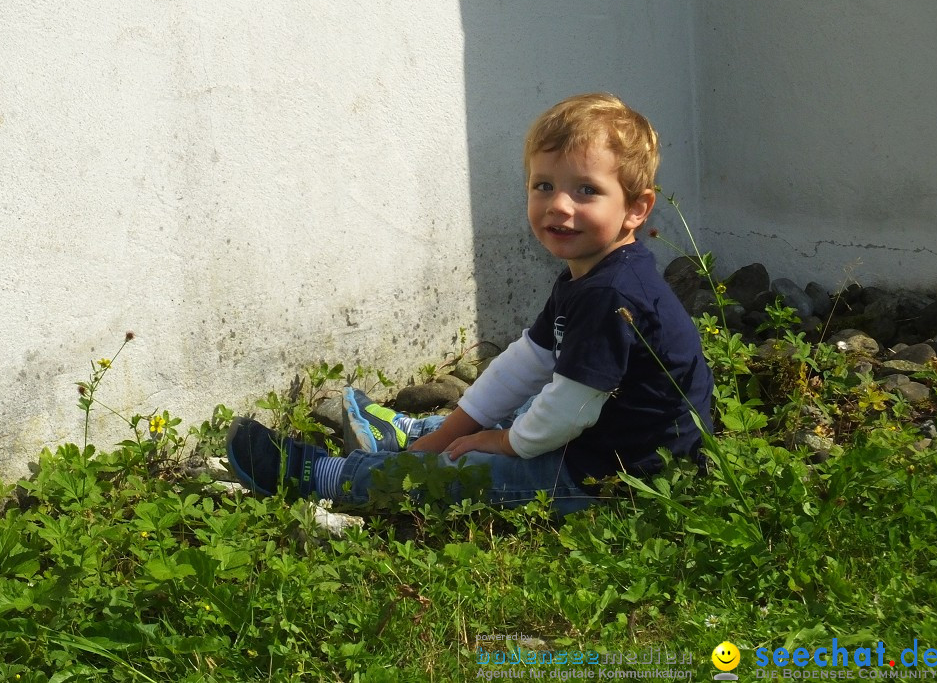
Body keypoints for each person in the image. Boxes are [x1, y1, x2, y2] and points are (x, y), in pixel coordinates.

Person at [227, 93, 713, 516]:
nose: (559, 205)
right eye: (544, 184)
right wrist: (447, 437)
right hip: (596, 436)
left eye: (586, 190)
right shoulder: (593, 275)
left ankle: (327, 477)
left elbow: (568, 409)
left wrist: (504, 443)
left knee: (471, 470)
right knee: (520, 403)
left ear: (636, 208)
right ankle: (417, 436)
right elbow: (529, 362)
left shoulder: (612, 292)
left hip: (618, 477)